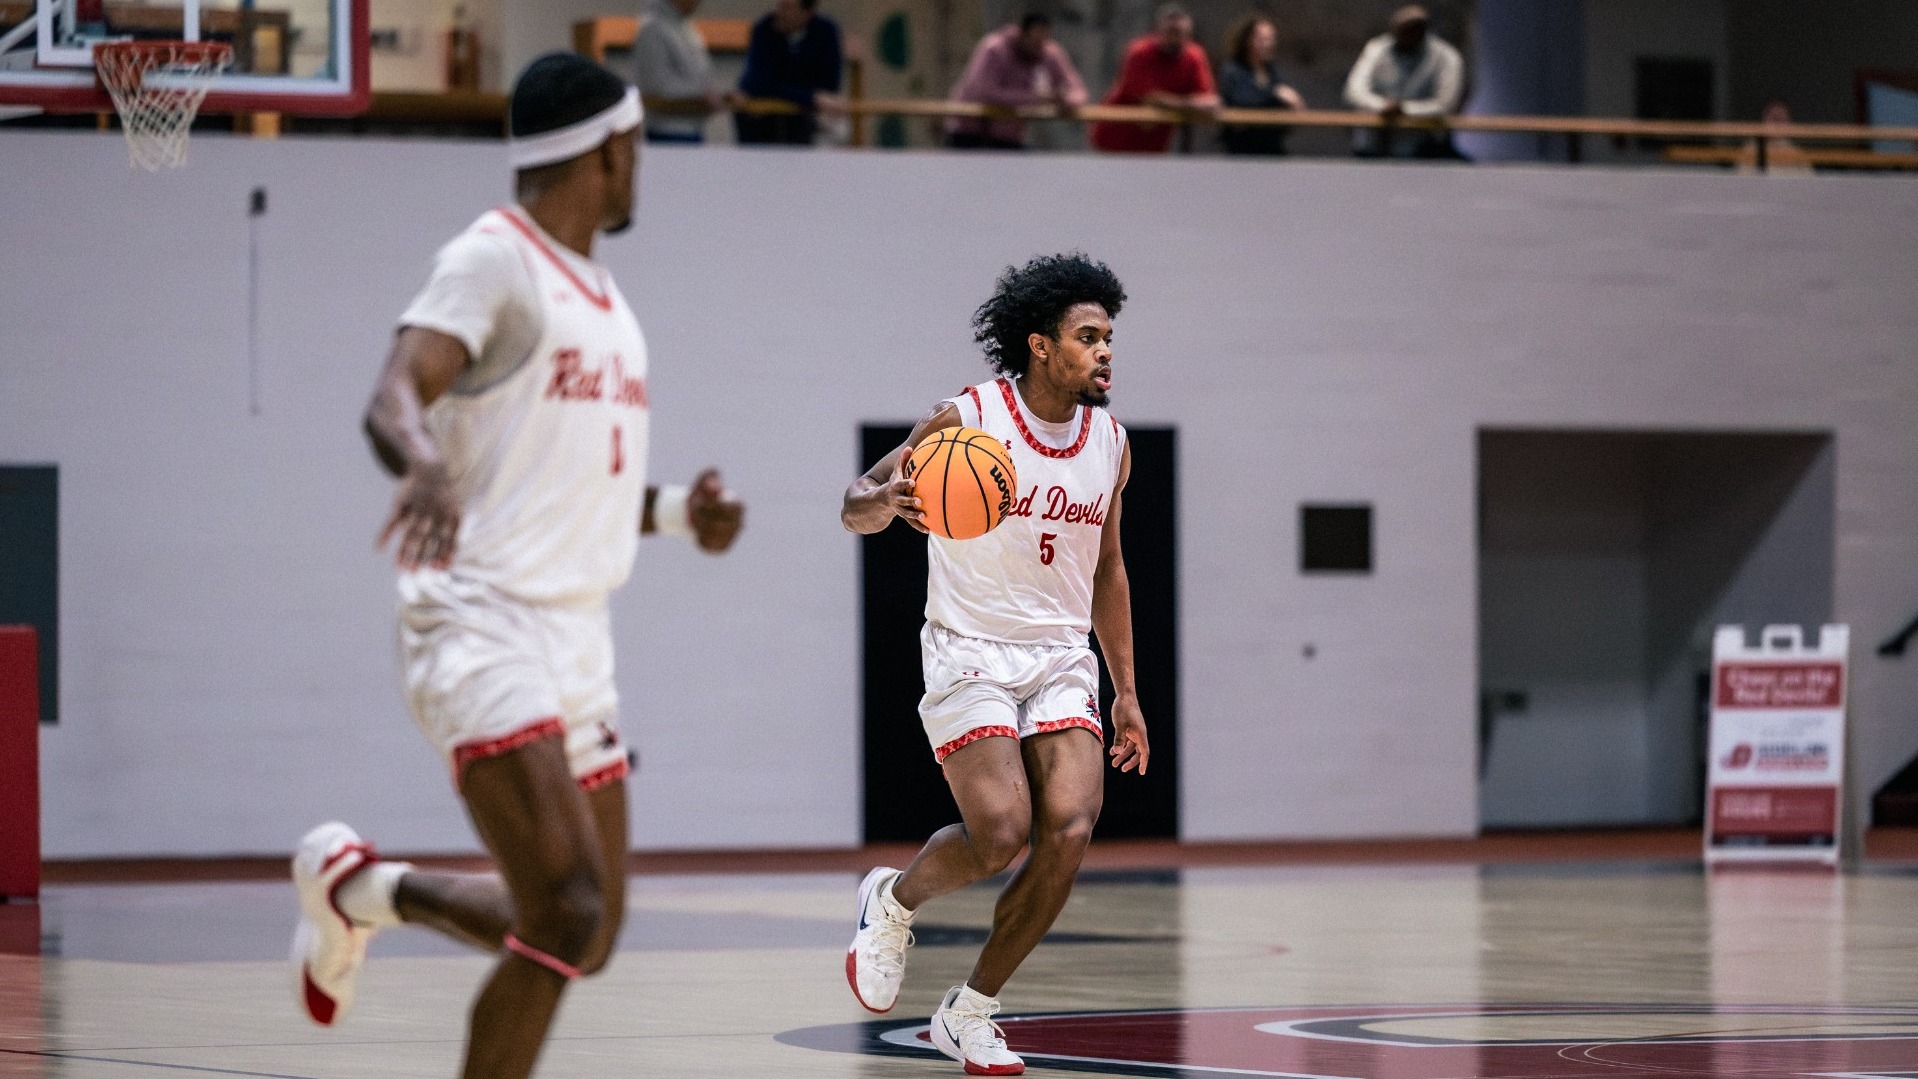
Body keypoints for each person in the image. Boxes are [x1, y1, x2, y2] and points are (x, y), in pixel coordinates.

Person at [289, 52, 744, 1079]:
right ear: (614, 148)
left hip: (579, 633)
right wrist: (421, 461)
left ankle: (362, 886)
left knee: (586, 928)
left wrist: (678, 512)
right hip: (478, 616)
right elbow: (394, 389)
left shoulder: (608, 299)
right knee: (566, 905)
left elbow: (565, 481)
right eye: (638, 149)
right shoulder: (494, 257)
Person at [841, 253, 1150, 1077]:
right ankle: (892, 900)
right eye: (1089, 336)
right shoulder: (966, 418)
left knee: (1072, 828)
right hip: (968, 646)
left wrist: (1126, 690)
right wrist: (885, 503)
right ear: (1041, 344)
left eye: (1110, 336)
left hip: (1058, 655)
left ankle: (970, 1009)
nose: (1105, 350)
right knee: (1002, 832)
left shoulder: (1111, 443)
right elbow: (856, 503)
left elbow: (1110, 568)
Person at [1089, 3, 1221, 154]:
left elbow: (1208, 100)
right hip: (1116, 136)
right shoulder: (1139, 52)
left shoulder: (1194, 56)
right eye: (1171, 31)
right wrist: (1189, 104)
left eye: (1181, 33)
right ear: (1159, 31)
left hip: (1154, 144)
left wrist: (1177, 104)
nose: (1176, 38)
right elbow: (1151, 98)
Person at [946, 13, 1089, 150]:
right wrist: (1037, 98)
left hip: (1008, 137)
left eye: (1043, 41)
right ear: (1022, 35)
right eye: (1034, 41)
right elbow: (987, 93)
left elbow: (1076, 88)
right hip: (970, 133)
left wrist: (1067, 101)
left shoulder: (1047, 52)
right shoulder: (994, 49)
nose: (1038, 49)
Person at [1342, 4, 1465, 158]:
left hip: (1423, 146)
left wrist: (1404, 110)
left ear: (1423, 29)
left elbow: (1445, 105)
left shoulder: (1446, 56)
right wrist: (1382, 106)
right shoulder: (1378, 48)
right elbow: (1354, 91)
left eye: (1413, 29)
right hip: (1373, 144)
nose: (1407, 34)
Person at [735, 0, 844, 144]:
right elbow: (759, 83)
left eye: (788, 8)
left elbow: (828, 88)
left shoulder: (826, 31)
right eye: (779, 5)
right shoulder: (764, 28)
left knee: (837, 129)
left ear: (807, 13)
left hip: (805, 119)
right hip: (763, 122)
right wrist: (810, 97)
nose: (780, 13)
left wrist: (809, 98)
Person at [627, 0, 734, 143]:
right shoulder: (653, 28)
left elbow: (700, 75)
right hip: (666, 131)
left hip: (693, 128)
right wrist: (700, 95)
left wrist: (719, 93)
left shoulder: (685, 28)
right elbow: (656, 84)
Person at [1217, 15, 1304, 155]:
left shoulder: (1272, 72)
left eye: (1270, 39)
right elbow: (1241, 101)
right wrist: (1274, 94)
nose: (1268, 44)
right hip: (1241, 150)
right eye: (1262, 39)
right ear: (1247, 40)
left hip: (1271, 147)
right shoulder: (1233, 71)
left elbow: (1287, 102)